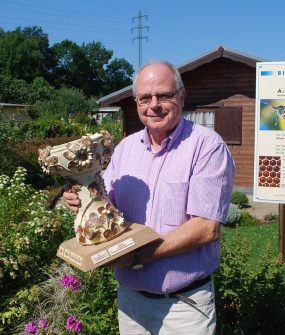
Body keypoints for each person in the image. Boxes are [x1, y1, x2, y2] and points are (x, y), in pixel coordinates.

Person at [64, 60, 235, 334]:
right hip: (131, 304)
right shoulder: (125, 149)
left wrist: (138, 257)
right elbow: (106, 204)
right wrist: (81, 197)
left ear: (182, 95)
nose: (153, 105)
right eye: (145, 98)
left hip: (184, 307)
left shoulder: (206, 146)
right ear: (136, 102)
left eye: (164, 95)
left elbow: (206, 228)